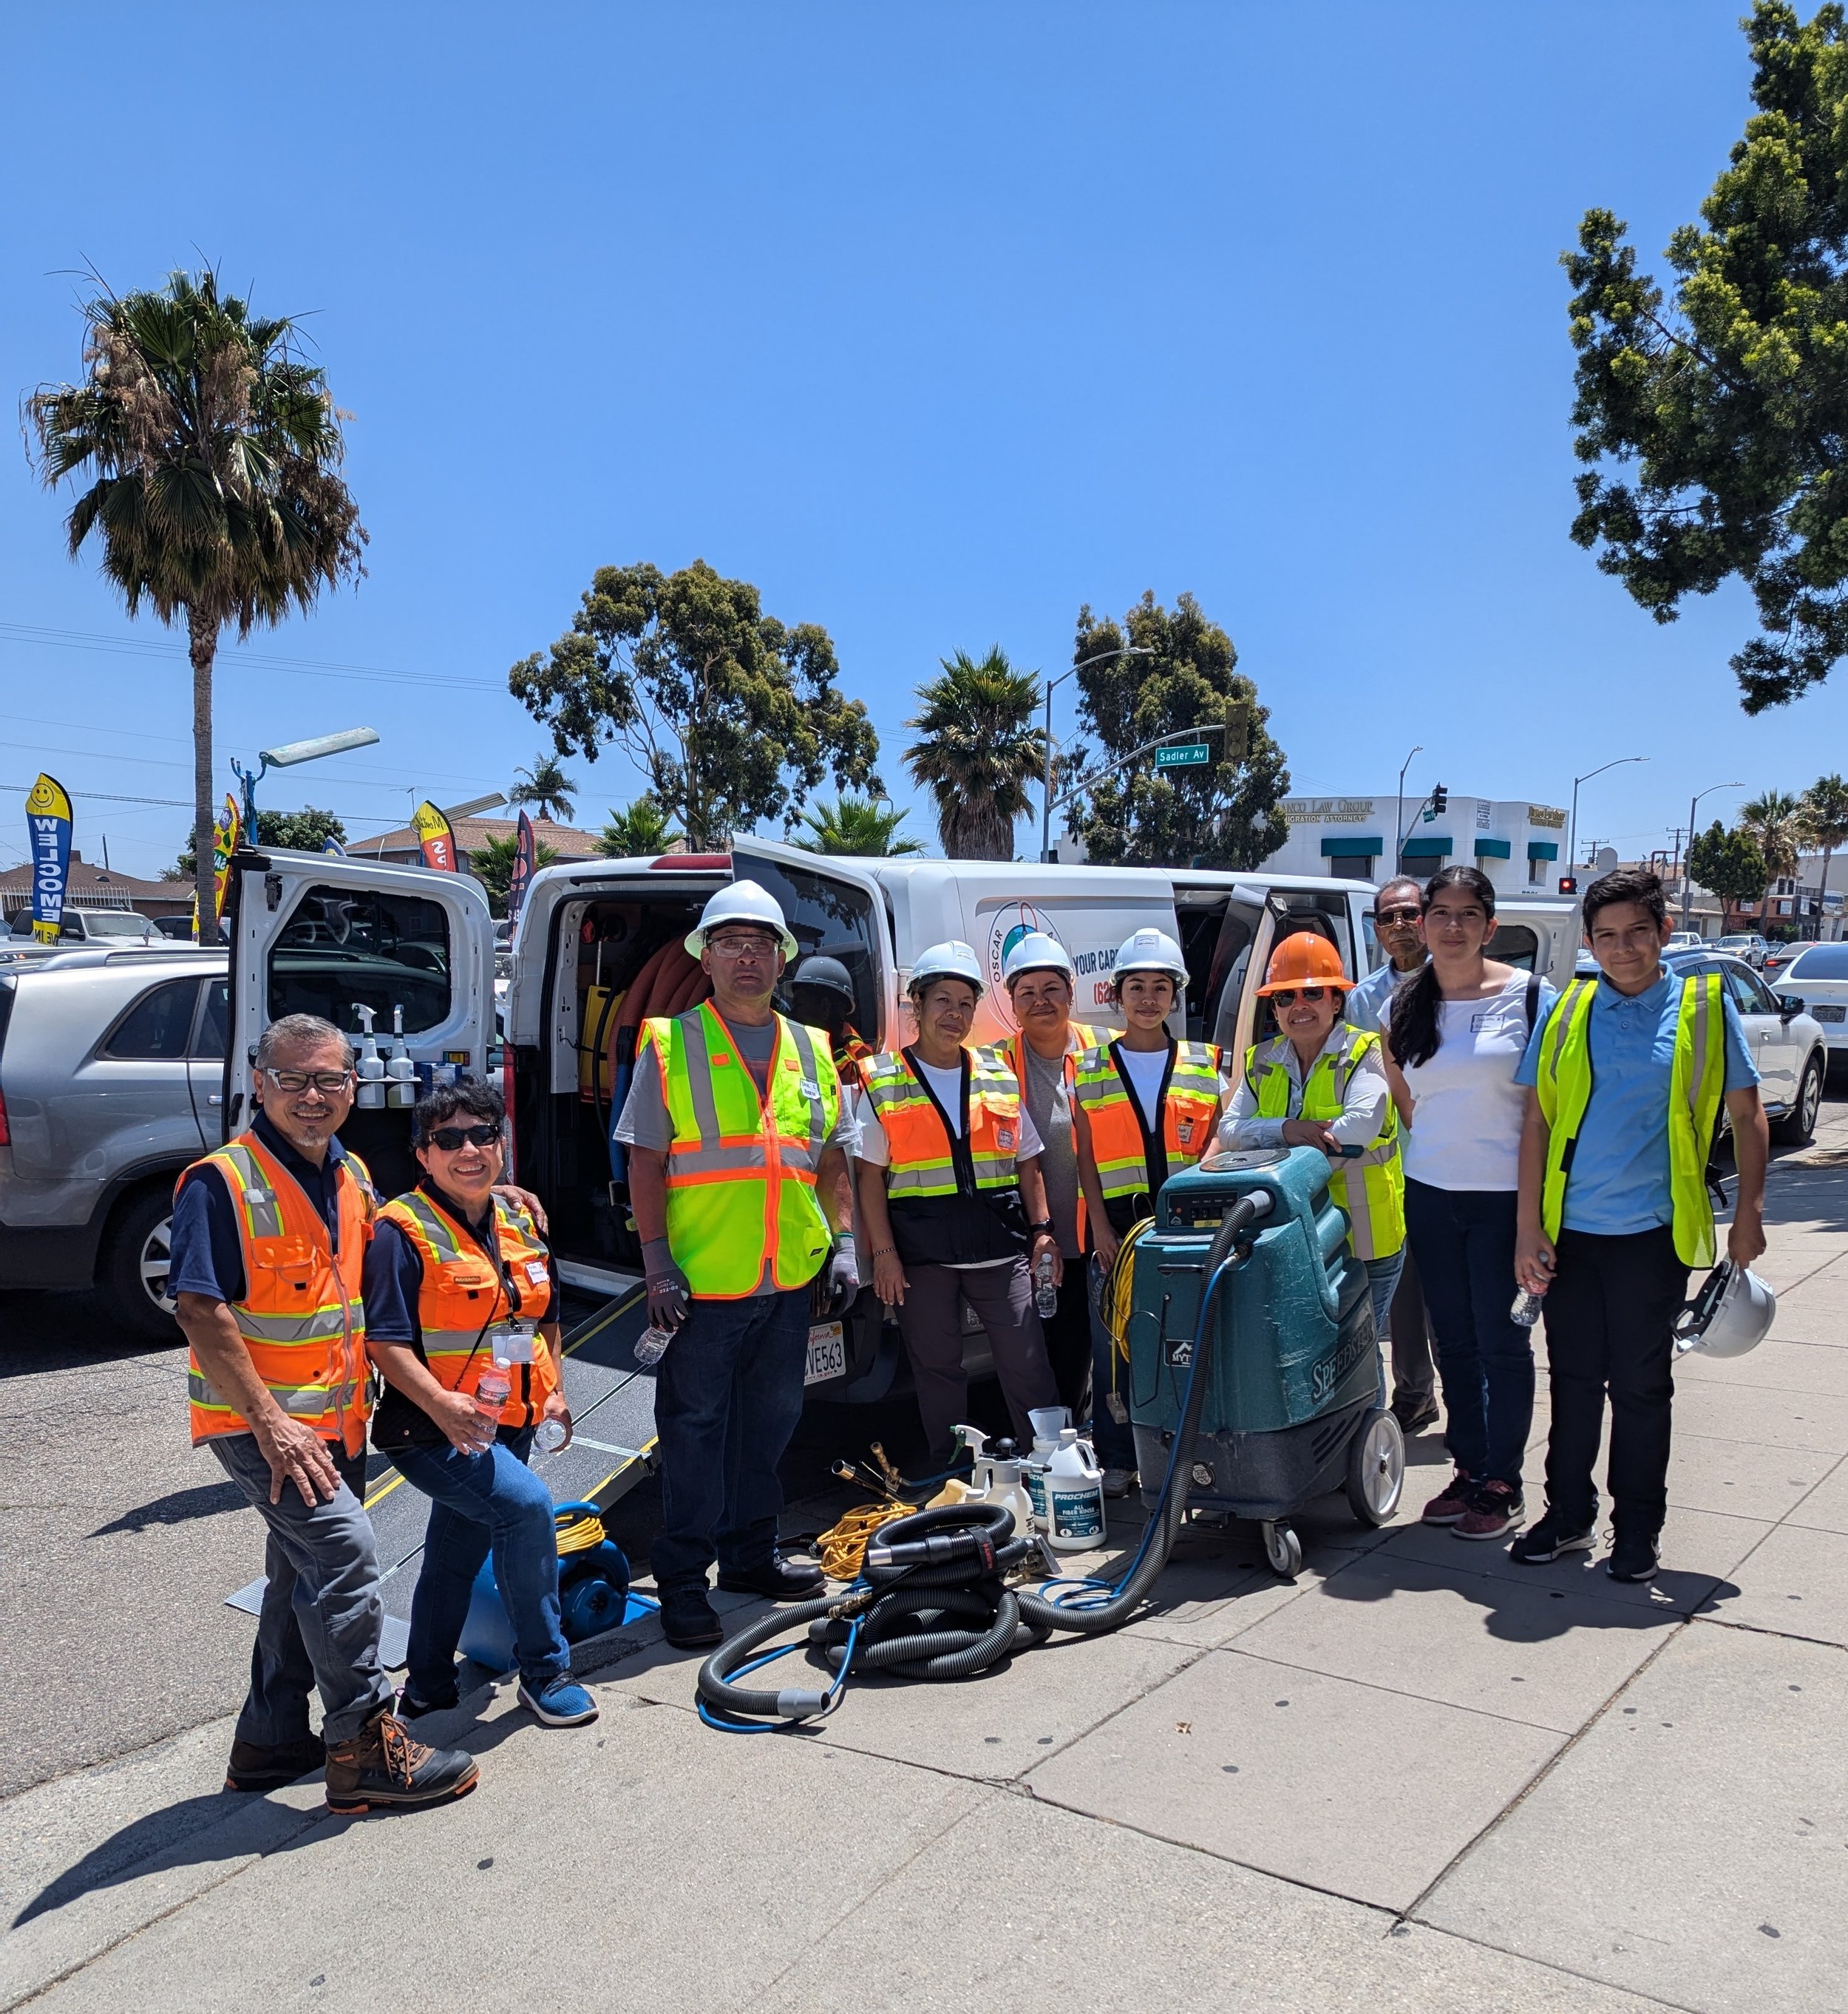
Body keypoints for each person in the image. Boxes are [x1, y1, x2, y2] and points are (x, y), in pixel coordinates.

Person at [169, 1013, 478, 1814]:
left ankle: (270, 1740)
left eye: (331, 1079)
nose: (314, 1095)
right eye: (295, 1079)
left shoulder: (350, 1174)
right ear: (261, 1082)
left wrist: (484, 1193)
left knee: (297, 1575)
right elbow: (200, 1310)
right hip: (264, 1426)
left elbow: (388, 1249)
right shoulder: (221, 1181)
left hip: (334, 1423)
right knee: (345, 1554)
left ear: (352, 1086)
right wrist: (271, 1423)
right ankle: (366, 1748)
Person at [614, 881, 860, 1649]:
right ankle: (684, 1582)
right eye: (730, 941)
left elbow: (830, 1161)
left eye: (761, 943)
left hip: (788, 1280)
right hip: (702, 1282)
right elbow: (645, 1161)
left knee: (769, 1427)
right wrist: (657, 1264)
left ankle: (750, 1558)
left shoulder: (814, 1049)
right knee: (692, 1436)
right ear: (706, 956)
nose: (747, 955)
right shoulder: (668, 1041)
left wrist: (842, 1244)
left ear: (783, 958)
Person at [1512, 867, 1767, 1582]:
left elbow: (1748, 1119)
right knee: (1571, 1381)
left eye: (1636, 933)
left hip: (1652, 1239)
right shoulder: (1566, 1012)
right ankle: (1567, 1515)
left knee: (1640, 1386)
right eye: (1606, 936)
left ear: (1661, 932)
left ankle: (1637, 1529)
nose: (1622, 949)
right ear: (1589, 942)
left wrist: (1748, 1215)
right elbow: (1535, 1121)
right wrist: (1526, 1228)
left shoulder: (1704, 1008)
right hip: (1570, 1237)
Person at [362, 1077, 598, 1728]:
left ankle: (429, 1683)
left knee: (456, 1549)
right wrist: (442, 1405)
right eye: (448, 1139)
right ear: (423, 1153)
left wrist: (553, 1391)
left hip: (508, 1416)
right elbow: (383, 1342)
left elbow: (543, 1316)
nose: (468, 1150)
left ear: (502, 1143)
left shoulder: (521, 1216)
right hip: (430, 1428)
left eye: (482, 1135)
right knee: (527, 1511)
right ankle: (546, 1671)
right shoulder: (399, 1232)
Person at [1379, 867, 1556, 1542]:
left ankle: (1504, 1483)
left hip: (1507, 1202)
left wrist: (1531, 1220)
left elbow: (1548, 1106)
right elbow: (1400, 1083)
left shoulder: (1533, 996)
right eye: (1440, 913)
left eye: (1468, 914)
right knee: (1450, 1341)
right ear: (1421, 923)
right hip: (1430, 1196)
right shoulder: (1405, 1002)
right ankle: (1470, 1467)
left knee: (1503, 1343)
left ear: (1491, 923)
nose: (1453, 927)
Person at [856, 940, 1064, 1469]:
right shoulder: (882, 1080)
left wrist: (1042, 1230)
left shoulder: (997, 1074)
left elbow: (1028, 1161)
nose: (955, 1014)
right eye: (942, 1000)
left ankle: (1049, 1466)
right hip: (922, 1259)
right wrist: (883, 1255)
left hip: (1001, 1251)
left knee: (1027, 1363)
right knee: (938, 1371)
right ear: (917, 1006)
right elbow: (869, 1178)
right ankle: (953, 1474)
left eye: (965, 1003)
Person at [1073, 929, 1222, 1490]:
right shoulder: (1087, 1069)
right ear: (1116, 993)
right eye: (1136, 985)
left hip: (1188, 1231)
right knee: (1116, 1349)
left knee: (1188, 1343)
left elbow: (1217, 1143)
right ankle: (1117, 1458)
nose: (1148, 997)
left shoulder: (1205, 1063)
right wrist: (1102, 1232)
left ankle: (1195, 1450)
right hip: (1117, 1236)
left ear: (1175, 995)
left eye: (1161, 986)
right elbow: (1085, 1159)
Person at [1221, 932, 1404, 1387]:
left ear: (1337, 1000)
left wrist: (1267, 1144)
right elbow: (1228, 1131)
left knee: (1357, 1349)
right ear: (1275, 1007)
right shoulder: (1259, 1060)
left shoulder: (1368, 1051)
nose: (1298, 1005)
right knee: (1315, 1352)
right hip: (1294, 1234)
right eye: (1285, 996)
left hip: (1364, 1234)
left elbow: (1361, 1124)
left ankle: (1368, 1445)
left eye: (1312, 993)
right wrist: (1286, 1129)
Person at [996, 930, 1103, 1436]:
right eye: (1027, 992)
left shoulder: (1103, 1051)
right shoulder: (993, 1064)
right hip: (1033, 1239)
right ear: (1012, 1004)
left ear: (1070, 991)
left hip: (1097, 1233)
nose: (1041, 1000)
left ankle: (1102, 1449)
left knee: (1096, 1350)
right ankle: (1057, 1455)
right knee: (1047, 1356)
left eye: (1051, 988)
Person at [1348, 877, 1441, 1435]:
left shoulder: (1456, 983)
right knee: (1404, 1293)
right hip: (1393, 1167)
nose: (1400, 925)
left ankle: (1472, 1401)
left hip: (1453, 1160)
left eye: (1410, 913)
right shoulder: (1364, 998)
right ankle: (1414, 1393)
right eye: (1388, 917)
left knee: (1453, 1294)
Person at [791, 953, 874, 1090]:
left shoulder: (846, 1070)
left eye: (799, 1006)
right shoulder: (850, 1045)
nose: (792, 1014)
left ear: (825, 1008)